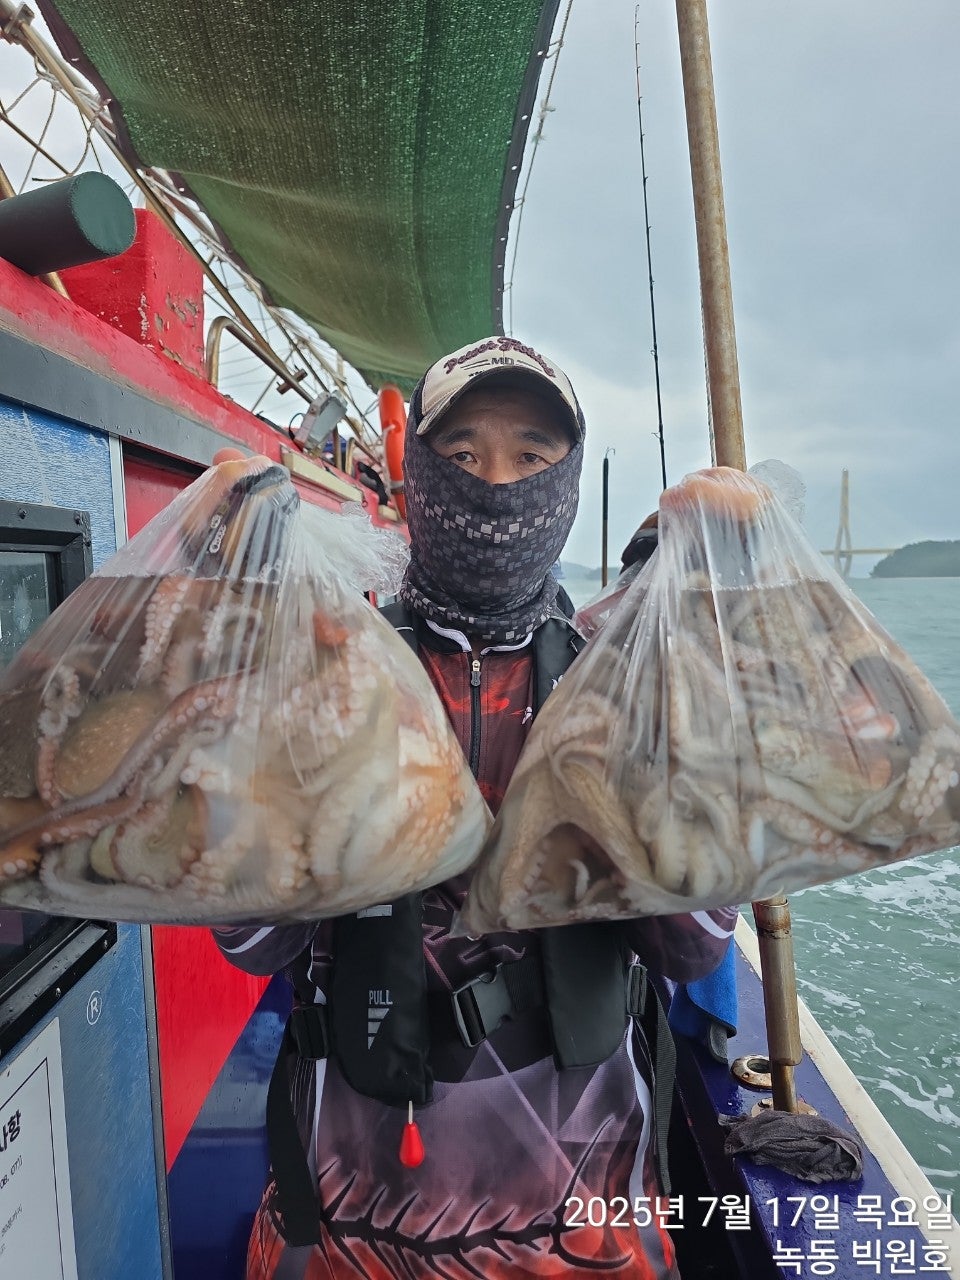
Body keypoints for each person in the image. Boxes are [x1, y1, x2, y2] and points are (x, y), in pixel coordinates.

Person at [213, 337, 736, 1280]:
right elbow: (254, 944)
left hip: (586, 1224)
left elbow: (692, 946)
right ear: (416, 475)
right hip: (351, 1216)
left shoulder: (613, 680)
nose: (497, 484)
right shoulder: (334, 665)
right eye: (462, 455)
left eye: (532, 455)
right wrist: (237, 700)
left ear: (567, 481)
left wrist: (696, 700)